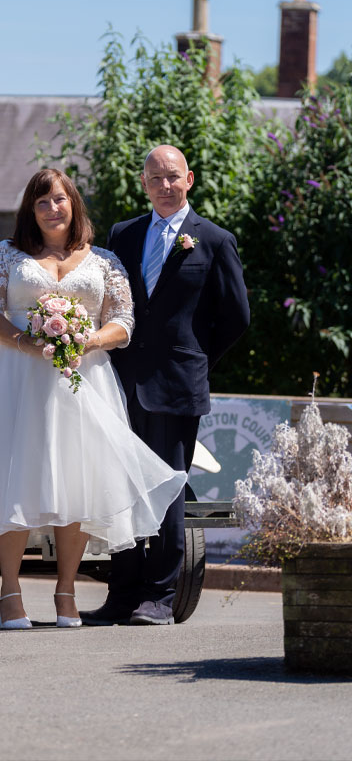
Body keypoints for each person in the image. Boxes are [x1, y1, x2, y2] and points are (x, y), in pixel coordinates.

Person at [0, 168, 187, 630]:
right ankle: (10, 593)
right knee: (14, 477)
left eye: (59, 199)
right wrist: (24, 341)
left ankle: (66, 592)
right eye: (41, 202)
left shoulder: (103, 260)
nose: (52, 208)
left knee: (76, 482)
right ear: (30, 210)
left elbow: (124, 320)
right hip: (18, 378)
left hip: (84, 379)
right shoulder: (7, 254)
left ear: (73, 204)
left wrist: (88, 341)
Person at [81, 145, 250, 626]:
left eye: (173, 176)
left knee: (168, 488)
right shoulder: (123, 235)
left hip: (177, 385)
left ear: (189, 179)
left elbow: (236, 316)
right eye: (156, 178)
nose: (165, 185)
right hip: (122, 383)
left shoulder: (214, 240)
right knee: (121, 488)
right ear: (144, 183)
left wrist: (196, 360)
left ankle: (159, 597)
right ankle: (121, 594)